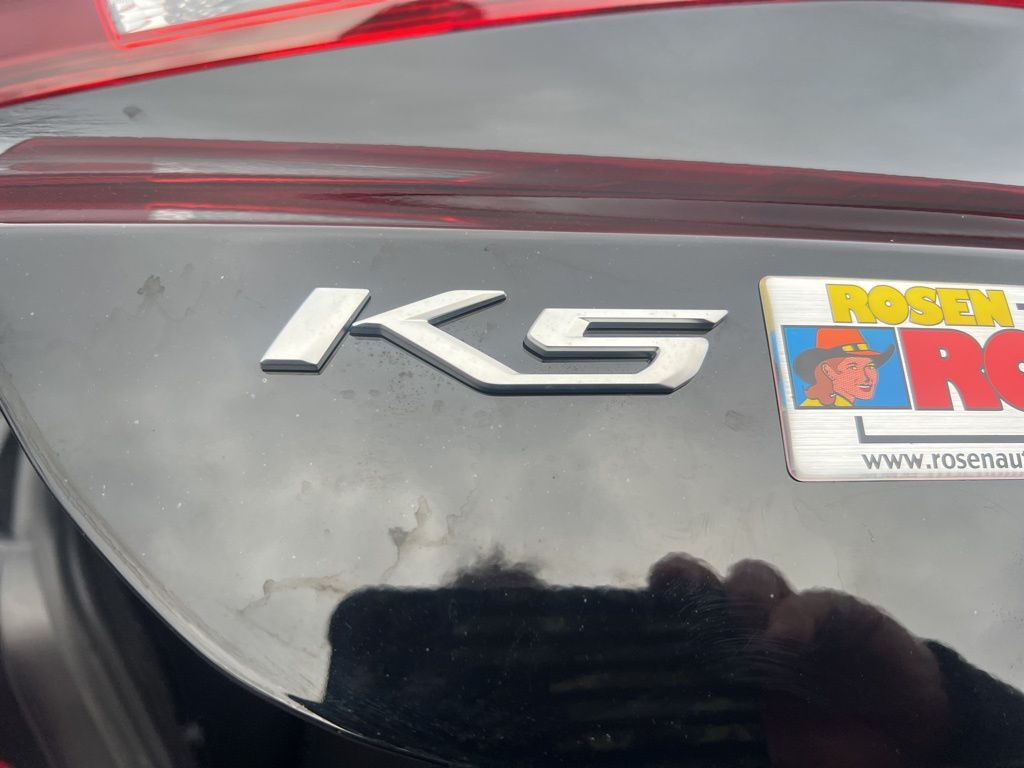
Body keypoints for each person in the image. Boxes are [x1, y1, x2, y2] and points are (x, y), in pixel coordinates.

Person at [794, 328, 893, 407]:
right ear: (828, 371)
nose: (866, 378)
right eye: (853, 367)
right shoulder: (819, 410)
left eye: (870, 366)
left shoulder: (839, 406)